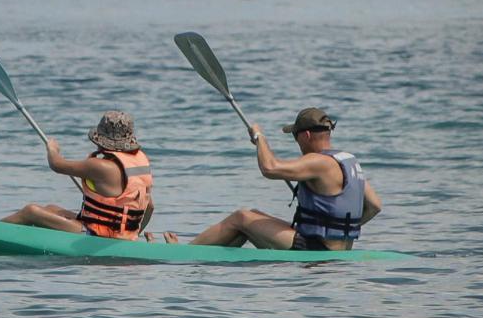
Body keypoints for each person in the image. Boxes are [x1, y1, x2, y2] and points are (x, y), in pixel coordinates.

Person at [162, 107, 382, 251]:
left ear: (305, 135)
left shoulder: (318, 161)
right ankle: (208, 253)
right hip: (341, 248)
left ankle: (182, 252)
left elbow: (269, 168)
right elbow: (374, 206)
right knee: (253, 217)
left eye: (295, 136)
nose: (296, 142)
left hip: (315, 249)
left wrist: (260, 138)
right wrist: (340, 230)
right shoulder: (349, 161)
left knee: (241, 217)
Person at [1, 110, 154, 240]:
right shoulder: (139, 165)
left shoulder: (100, 166)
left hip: (97, 236)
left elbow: (57, 164)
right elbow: (150, 207)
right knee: (52, 209)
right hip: (120, 235)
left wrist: (52, 148)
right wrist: (133, 235)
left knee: (31, 212)